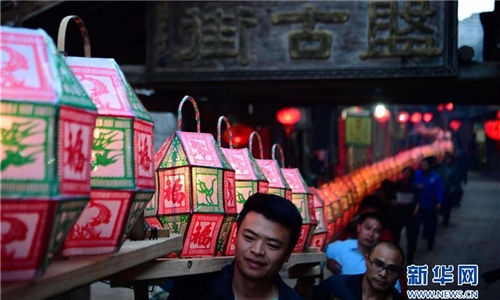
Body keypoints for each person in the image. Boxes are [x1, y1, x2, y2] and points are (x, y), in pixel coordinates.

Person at [167, 193, 303, 300]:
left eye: (272, 245)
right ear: (235, 235)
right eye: (249, 237)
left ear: (287, 254)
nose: (257, 250)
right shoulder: (192, 291)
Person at [314, 241, 405, 300]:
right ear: (366, 260)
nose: (383, 274)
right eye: (378, 264)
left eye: (392, 269)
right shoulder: (335, 286)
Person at [414, 157, 444, 251]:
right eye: (422, 165)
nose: (423, 166)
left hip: (431, 205)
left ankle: (430, 243)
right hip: (418, 206)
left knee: (431, 226)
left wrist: (439, 202)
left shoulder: (436, 177)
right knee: (415, 227)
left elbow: (440, 190)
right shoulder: (416, 175)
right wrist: (416, 186)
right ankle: (413, 245)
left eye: (425, 165)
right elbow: (410, 183)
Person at [393, 167, 418, 264]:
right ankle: (395, 257)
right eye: (405, 172)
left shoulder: (414, 186)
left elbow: (417, 201)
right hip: (399, 213)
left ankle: (410, 259)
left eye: (409, 173)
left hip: (410, 214)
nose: (406, 175)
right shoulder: (397, 184)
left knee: (411, 237)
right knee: (396, 236)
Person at [435, 152, 462, 226]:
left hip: (449, 190)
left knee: (448, 206)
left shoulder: (454, 169)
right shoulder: (440, 168)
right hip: (440, 189)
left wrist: (456, 190)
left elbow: (457, 181)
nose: (448, 161)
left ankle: (445, 221)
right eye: (447, 159)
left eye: (449, 159)